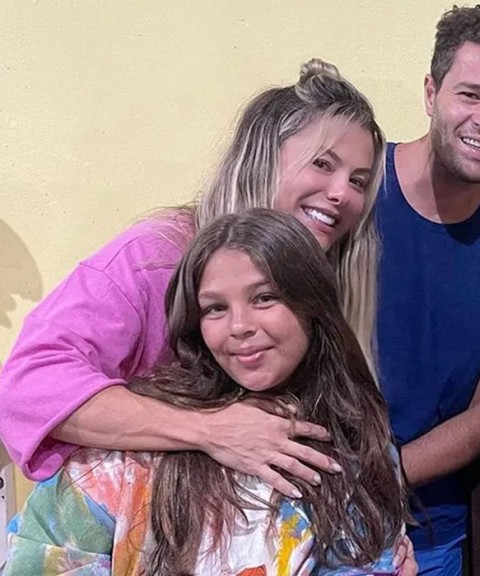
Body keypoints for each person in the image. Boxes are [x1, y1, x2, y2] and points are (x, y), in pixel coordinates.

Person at [0, 59, 384, 500]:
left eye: (358, 181)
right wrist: (209, 429)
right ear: (261, 159)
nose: (341, 193)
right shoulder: (153, 257)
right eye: (322, 164)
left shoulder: (330, 284)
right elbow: (26, 388)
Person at [3, 210, 415, 575]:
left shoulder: (357, 441)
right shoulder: (127, 453)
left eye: (265, 298)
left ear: (313, 306)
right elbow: (45, 555)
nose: (239, 327)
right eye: (215, 308)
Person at [373, 5, 480, 573]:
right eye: (470, 94)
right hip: (294, 512)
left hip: (430, 533)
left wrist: (380, 478)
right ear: (431, 92)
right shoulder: (350, 188)